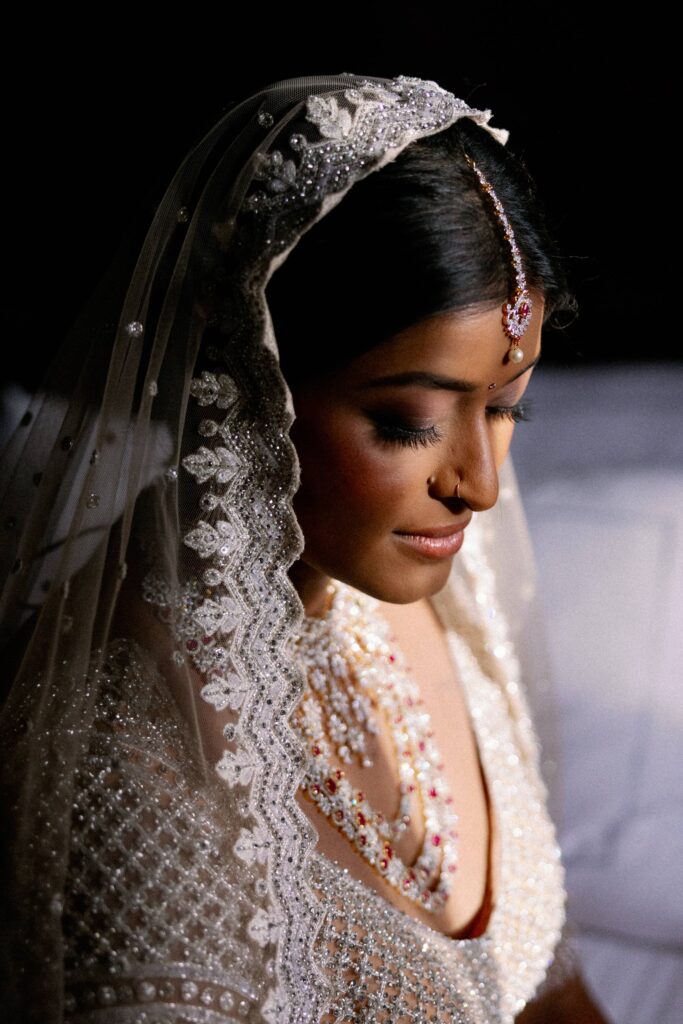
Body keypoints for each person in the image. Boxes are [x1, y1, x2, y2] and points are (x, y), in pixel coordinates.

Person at [0, 74, 607, 1022]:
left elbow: (550, 990)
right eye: (406, 422)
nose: (480, 486)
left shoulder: (440, 586)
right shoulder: (123, 776)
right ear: (249, 381)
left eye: (504, 407)